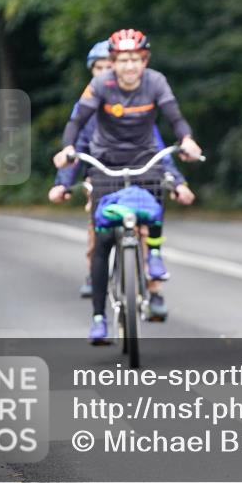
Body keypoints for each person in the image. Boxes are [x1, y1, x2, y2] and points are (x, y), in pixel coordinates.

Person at [53, 29, 202, 342]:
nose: (130, 66)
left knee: (154, 205)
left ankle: (155, 256)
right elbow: (76, 122)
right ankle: (98, 317)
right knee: (103, 240)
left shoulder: (156, 82)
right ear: (113, 62)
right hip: (106, 162)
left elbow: (175, 118)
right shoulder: (100, 84)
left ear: (144, 60)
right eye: (123, 60)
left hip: (145, 158)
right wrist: (67, 151)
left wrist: (187, 141)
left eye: (136, 59)